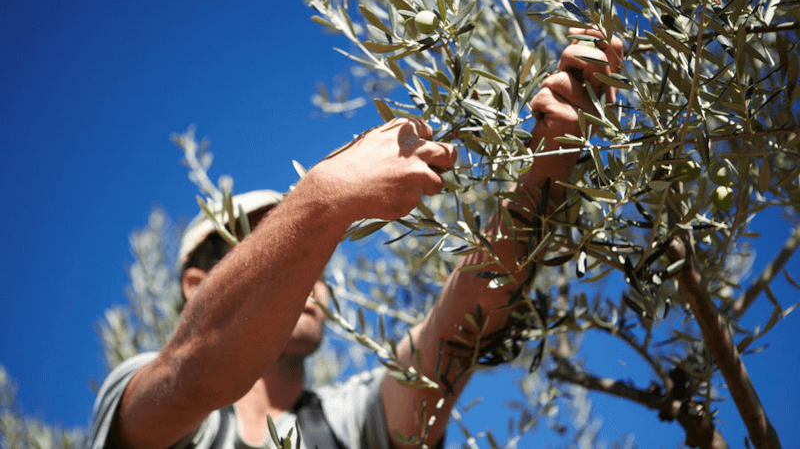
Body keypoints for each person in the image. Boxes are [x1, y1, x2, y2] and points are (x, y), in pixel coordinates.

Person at [90, 29, 622, 449]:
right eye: (265, 244)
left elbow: (456, 335)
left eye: (311, 262)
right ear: (196, 283)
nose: (310, 277)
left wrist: (548, 168)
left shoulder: (347, 423)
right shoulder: (142, 394)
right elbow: (196, 373)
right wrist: (322, 200)